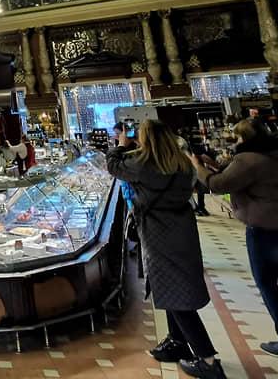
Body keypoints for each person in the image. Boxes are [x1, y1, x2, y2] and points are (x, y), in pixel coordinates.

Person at [192, 118, 278, 364]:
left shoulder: (248, 159)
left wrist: (198, 166)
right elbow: (246, 178)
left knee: (267, 285)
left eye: (238, 137)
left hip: (264, 229)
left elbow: (218, 185)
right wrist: (216, 166)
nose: (235, 141)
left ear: (246, 138)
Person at [108, 119, 225, 379]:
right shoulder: (182, 163)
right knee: (173, 288)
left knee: (176, 295)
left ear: (146, 139)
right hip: (182, 228)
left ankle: (208, 360)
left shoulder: (145, 164)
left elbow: (113, 166)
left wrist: (121, 145)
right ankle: (177, 342)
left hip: (158, 231)